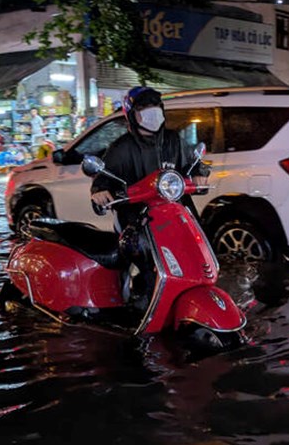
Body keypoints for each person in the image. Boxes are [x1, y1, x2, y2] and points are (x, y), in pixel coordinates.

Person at [90, 86, 209, 309]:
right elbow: (102, 180)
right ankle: (136, 300)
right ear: (132, 115)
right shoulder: (121, 149)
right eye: (144, 108)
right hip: (136, 219)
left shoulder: (173, 141)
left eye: (155, 107)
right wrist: (99, 192)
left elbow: (194, 166)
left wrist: (200, 174)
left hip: (176, 214)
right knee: (140, 257)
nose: (151, 113)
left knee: (199, 251)